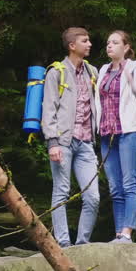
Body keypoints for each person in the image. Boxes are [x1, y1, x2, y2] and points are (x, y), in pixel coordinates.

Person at [94, 30, 136, 243]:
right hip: (106, 134)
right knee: (114, 187)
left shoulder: (134, 68)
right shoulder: (103, 70)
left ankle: (127, 233)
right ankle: (118, 234)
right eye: (108, 43)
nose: (109, 46)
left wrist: (133, 83)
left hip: (129, 132)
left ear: (126, 47)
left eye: (115, 42)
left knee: (129, 183)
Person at [40, 27, 100, 247]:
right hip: (63, 142)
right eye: (85, 41)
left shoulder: (92, 72)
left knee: (92, 196)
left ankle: (82, 243)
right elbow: (49, 109)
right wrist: (52, 142)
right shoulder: (57, 72)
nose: (90, 44)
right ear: (72, 46)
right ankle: (64, 244)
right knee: (61, 192)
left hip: (86, 143)